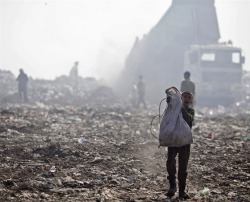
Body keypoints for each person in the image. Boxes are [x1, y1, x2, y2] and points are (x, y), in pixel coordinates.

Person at [166, 91, 195, 199]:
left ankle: (182, 191)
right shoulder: (175, 110)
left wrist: (181, 107)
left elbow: (188, 118)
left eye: (189, 97)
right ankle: (172, 185)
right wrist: (170, 102)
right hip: (173, 140)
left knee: (183, 168)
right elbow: (169, 112)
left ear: (191, 101)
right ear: (181, 98)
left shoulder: (191, 111)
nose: (186, 99)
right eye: (184, 97)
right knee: (170, 163)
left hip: (184, 142)